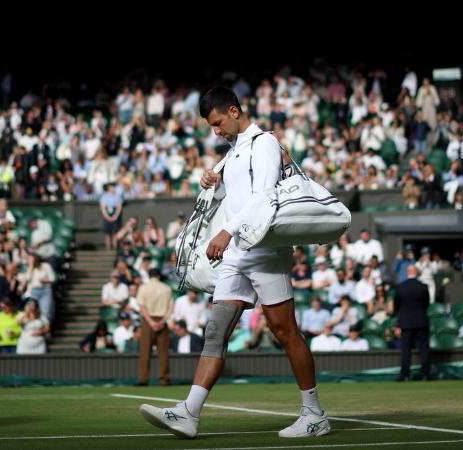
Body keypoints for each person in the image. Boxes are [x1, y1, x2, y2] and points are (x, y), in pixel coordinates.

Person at [139, 87, 331, 439]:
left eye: (217, 123)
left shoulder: (265, 143)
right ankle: (189, 413)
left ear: (234, 111)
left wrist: (225, 233)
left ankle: (315, 414)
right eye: (212, 127)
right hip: (237, 254)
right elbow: (239, 198)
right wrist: (216, 183)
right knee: (216, 331)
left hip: (265, 251)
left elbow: (265, 197)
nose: (216, 131)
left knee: (284, 330)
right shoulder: (233, 154)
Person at [136, 268, 174, 386]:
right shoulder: (166, 288)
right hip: (162, 320)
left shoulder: (143, 288)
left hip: (148, 321)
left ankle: (144, 379)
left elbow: (142, 308)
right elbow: (171, 308)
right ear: (158, 276)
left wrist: (151, 322)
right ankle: (164, 379)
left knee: (145, 352)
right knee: (163, 352)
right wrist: (162, 321)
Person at [393, 265, 431, 381]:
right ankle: (425, 375)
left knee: (406, 350)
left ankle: (405, 375)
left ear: (407, 272)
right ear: (416, 272)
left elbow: (397, 307)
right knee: (424, 350)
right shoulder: (423, 287)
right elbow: (426, 304)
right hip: (421, 322)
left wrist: (399, 324)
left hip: (406, 323)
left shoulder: (400, 287)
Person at [99, 182, 123, 251]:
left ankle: (114, 249)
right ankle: (108, 250)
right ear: (108, 188)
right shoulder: (104, 196)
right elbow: (102, 208)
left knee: (114, 233)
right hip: (107, 216)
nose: (113, 188)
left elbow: (119, 207)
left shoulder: (117, 196)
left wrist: (115, 216)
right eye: (112, 187)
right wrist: (108, 217)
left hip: (115, 216)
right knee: (107, 234)